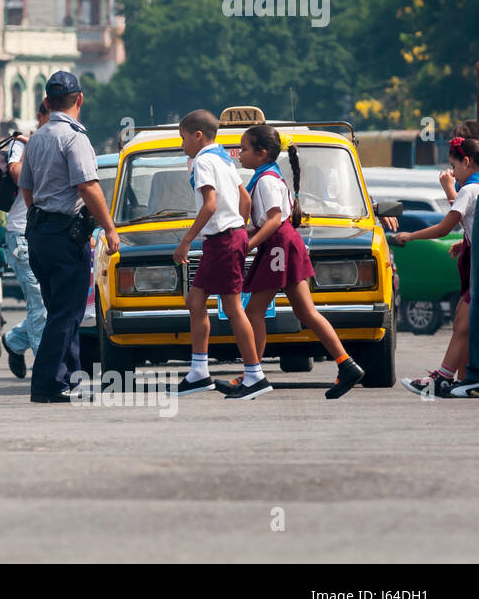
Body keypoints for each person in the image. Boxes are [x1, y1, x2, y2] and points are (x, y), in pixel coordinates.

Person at [229, 125, 364, 399]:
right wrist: (243, 235)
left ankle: (252, 374)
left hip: (279, 245)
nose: (239, 154)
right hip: (285, 243)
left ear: (262, 153)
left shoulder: (266, 180)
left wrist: (248, 244)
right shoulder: (267, 176)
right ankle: (346, 363)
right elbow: (270, 221)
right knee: (305, 311)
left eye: (243, 149)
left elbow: (275, 219)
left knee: (254, 310)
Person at [18, 71, 121, 403]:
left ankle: (70, 376)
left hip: (39, 232)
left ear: (47, 102)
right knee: (68, 312)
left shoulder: (36, 138)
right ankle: (47, 384)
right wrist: (109, 227)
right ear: (79, 100)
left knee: (58, 309)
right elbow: (87, 186)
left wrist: (43, 219)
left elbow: (27, 190)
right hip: (65, 234)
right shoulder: (75, 138)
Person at [171, 109, 267, 398]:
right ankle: (199, 371)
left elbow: (210, 204)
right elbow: (245, 198)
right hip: (227, 238)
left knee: (232, 306)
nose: (182, 144)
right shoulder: (225, 159)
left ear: (197, 135)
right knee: (196, 299)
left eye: (183, 138)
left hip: (222, 240)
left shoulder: (201, 161)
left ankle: (255, 374)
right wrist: (241, 226)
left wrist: (186, 241)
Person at [397, 134, 478, 397]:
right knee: (461, 322)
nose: (453, 173)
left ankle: (445, 379)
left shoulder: (468, 190)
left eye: (454, 167)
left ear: (466, 162)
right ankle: (450, 378)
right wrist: (464, 242)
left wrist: (411, 235)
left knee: (463, 322)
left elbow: (444, 228)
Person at [2, 101, 49, 378]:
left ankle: (16, 340)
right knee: (40, 302)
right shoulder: (23, 144)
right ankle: (47, 369)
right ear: (40, 118)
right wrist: (33, 146)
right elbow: (19, 175)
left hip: (50, 231)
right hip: (23, 232)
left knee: (51, 302)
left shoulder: (69, 139)